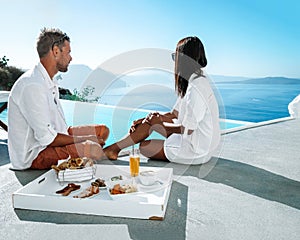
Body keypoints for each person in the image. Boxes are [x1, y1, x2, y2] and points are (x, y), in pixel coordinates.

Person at [104, 36, 220, 165]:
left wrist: (157, 123)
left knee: (145, 147)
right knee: (150, 123)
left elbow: (188, 128)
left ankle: (112, 149)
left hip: (196, 150)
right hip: (197, 142)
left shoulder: (197, 87)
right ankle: (112, 150)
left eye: (175, 57)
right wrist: (147, 119)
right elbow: (174, 114)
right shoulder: (195, 82)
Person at [8, 28, 109, 170]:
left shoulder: (47, 81)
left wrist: (86, 138)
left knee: (103, 131)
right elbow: (47, 139)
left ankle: (91, 155)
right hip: (36, 154)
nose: (71, 58)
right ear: (56, 51)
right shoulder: (32, 85)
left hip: (56, 137)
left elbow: (54, 130)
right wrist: (85, 140)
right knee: (93, 148)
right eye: (68, 52)